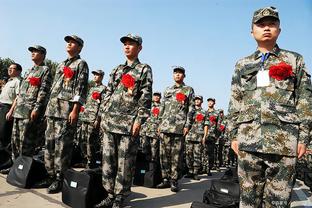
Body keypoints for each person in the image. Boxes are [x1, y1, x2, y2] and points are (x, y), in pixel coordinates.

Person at [227, 6, 312, 207]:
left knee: (278, 201)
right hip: (249, 138)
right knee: (248, 200)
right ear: (252, 31)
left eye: (272, 24)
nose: (266, 28)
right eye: (261, 24)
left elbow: (305, 98)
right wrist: (233, 135)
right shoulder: (242, 64)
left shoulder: (294, 60)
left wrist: (304, 137)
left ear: (279, 30)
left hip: (284, 140)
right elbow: (235, 99)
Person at [95, 34, 153, 208]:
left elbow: (146, 96)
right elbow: (108, 92)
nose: (127, 47)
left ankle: (120, 196)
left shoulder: (144, 69)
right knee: (108, 160)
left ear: (139, 48)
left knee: (125, 161)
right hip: (111, 121)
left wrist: (139, 120)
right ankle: (110, 194)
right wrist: (104, 113)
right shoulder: (116, 69)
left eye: (131, 44)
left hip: (128, 123)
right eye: (125, 44)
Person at [44, 35, 89, 194]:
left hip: (66, 110)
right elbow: (54, 89)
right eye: (67, 42)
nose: (69, 44)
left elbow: (80, 88)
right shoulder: (61, 64)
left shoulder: (81, 64)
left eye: (73, 42)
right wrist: (48, 108)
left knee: (62, 146)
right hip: (53, 109)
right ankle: (49, 175)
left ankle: (59, 178)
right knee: (49, 144)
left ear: (80, 47)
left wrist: (75, 109)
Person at [156, 66, 195, 192]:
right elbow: (162, 107)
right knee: (164, 155)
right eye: (175, 73)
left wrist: (187, 125)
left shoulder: (188, 90)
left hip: (178, 127)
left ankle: (174, 180)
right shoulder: (167, 89)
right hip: (165, 126)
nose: (177, 75)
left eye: (180, 73)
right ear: (173, 75)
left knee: (176, 155)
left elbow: (191, 109)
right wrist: (159, 123)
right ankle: (165, 179)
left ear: (184, 76)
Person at [11, 45, 52, 158]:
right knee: (15, 139)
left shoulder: (45, 70)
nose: (32, 53)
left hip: (30, 111)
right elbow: (21, 92)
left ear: (43, 55)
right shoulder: (29, 70)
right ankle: (15, 166)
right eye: (32, 51)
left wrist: (37, 108)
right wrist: (14, 108)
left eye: (36, 51)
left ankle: (22, 169)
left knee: (26, 142)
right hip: (19, 110)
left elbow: (43, 91)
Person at [77, 69, 106, 168]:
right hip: (85, 118)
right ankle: (84, 159)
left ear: (101, 77)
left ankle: (91, 162)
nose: (95, 77)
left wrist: (98, 119)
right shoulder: (91, 89)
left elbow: (102, 106)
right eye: (94, 75)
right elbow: (87, 103)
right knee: (82, 139)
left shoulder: (103, 89)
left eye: (97, 75)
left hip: (93, 119)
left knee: (91, 141)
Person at [0, 63, 22, 150]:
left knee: (4, 132)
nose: (9, 70)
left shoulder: (18, 82)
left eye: (12, 68)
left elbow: (18, 97)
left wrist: (11, 111)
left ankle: (6, 156)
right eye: (9, 68)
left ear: (19, 71)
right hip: (2, 107)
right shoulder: (9, 81)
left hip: (8, 108)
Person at [185, 95, 206, 180]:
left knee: (197, 155)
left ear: (201, 101)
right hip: (189, 135)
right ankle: (190, 171)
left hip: (198, 136)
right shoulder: (190, 111)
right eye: (196, 100)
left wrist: (204, 136)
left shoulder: (204, 112)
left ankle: (196, 172)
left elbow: (206, 125)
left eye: (199, 100)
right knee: (188, 154)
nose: (197, 101)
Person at [139, 92, 162, 163]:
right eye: (155, 95)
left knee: (154, 149)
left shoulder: (161, 107)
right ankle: (144, 164)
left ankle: (153, 166)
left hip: (155, 131)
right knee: (144, 148)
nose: (156, 97)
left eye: (158, 96)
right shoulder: (148, 105)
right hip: (145, 130)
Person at [202, 98, 221, 176]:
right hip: (202, 134)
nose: (210, 103)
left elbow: (219, 126)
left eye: (211, 101)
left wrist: (217, 136)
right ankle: (203, 168)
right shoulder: (204, 112)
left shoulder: (217, 113)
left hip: (211, 135)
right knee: (203, 152)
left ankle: (208, 168)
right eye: (209, 101)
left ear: (214, 103)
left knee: (210, 152)